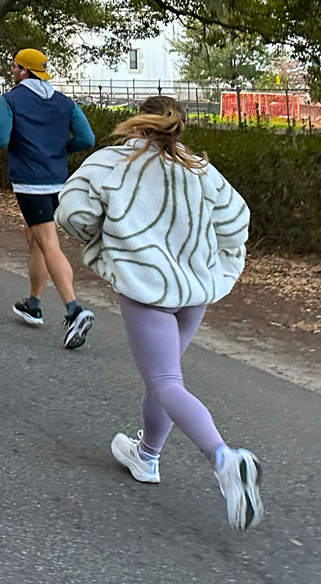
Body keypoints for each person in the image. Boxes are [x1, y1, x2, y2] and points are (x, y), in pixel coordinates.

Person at [57, 96, 262, 529]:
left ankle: (225, 457)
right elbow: (237, 223)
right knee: (166, 377)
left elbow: (73, 212)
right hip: (195, 287)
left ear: (138, 123)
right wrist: (209, 257)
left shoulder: (113, 162)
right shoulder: (199, 168)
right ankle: (147, 456)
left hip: (147, 284)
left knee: (165, 380)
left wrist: (111, 239)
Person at [0, 48, 97, 349]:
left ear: (24, 71)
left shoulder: (10, 100)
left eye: (13, 66)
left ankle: (74, 309)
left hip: (29, 182)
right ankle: (34, 304)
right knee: (35, 237)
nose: (11, 71)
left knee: (48, 242)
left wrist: (23, 146)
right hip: (58, 181)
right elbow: (87, 139)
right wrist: (59, 150)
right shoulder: (64, 102)